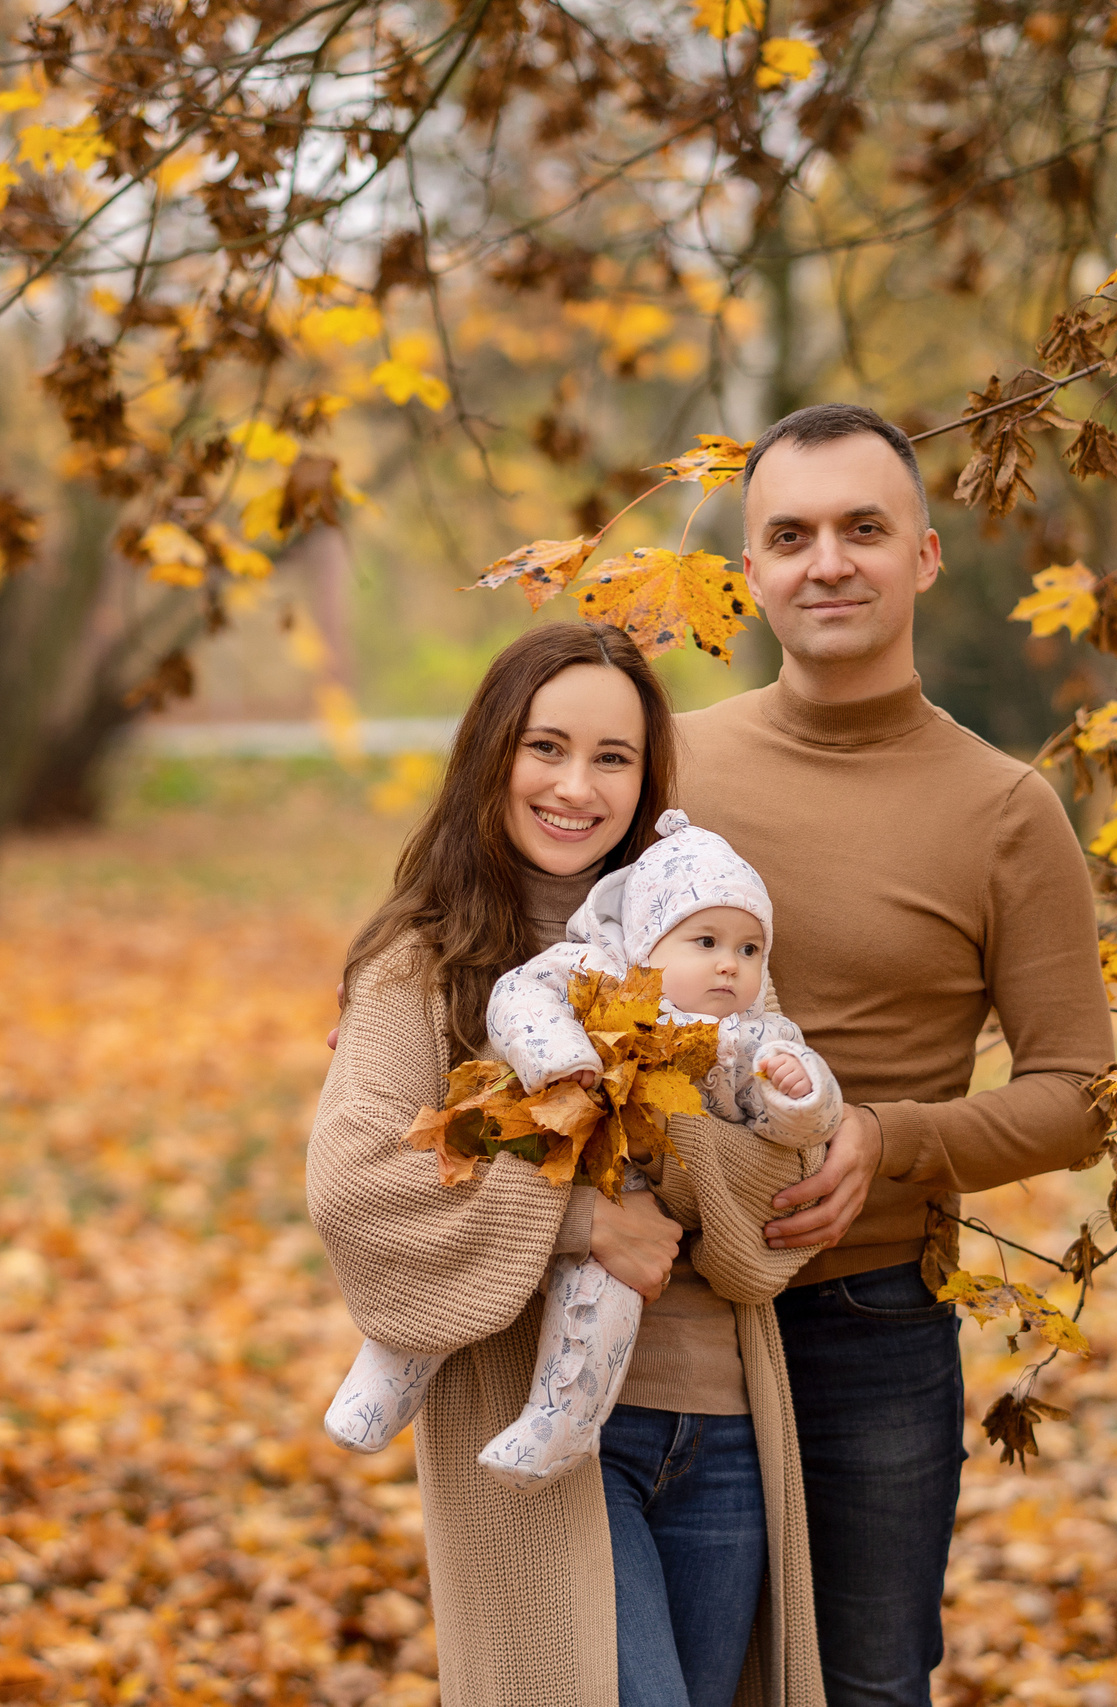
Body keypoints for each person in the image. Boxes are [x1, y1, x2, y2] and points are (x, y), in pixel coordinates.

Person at [675, 404, 1114, 1706]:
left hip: (870, 1320)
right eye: (792, 534)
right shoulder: (669, 765)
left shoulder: (1004, 811)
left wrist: (893, 1138)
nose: (829, 562)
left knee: (867, 1685)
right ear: (753, 570)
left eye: (864, 528)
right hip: (665, 1308)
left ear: (924, 553)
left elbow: (1079, 1095)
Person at [307, 622, 826, 1707]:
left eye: (612, 758)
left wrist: (648, 1122)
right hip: (544, 1439)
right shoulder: (423, 964)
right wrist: (582, 1222)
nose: (574, 786)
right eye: (546, 747)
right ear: (493, 753)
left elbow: (778, 1181)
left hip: (722, 1422)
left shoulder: (702, 942)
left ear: (644, 783)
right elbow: (357, 1185)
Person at [324, 809, 842, 1491]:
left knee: (601, 1294)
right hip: (529, 1148)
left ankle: (561, 1416)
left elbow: (794, 1132)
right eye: (707, 939)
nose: (729, 963)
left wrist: (800, 1097)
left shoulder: (748, 1038)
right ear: (648, 937)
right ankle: (395, 1362)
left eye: (750, 950)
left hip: (621, 1191)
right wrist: (562, 1058)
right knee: (458, 1254)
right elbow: (519, 994)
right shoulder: (596, 970)